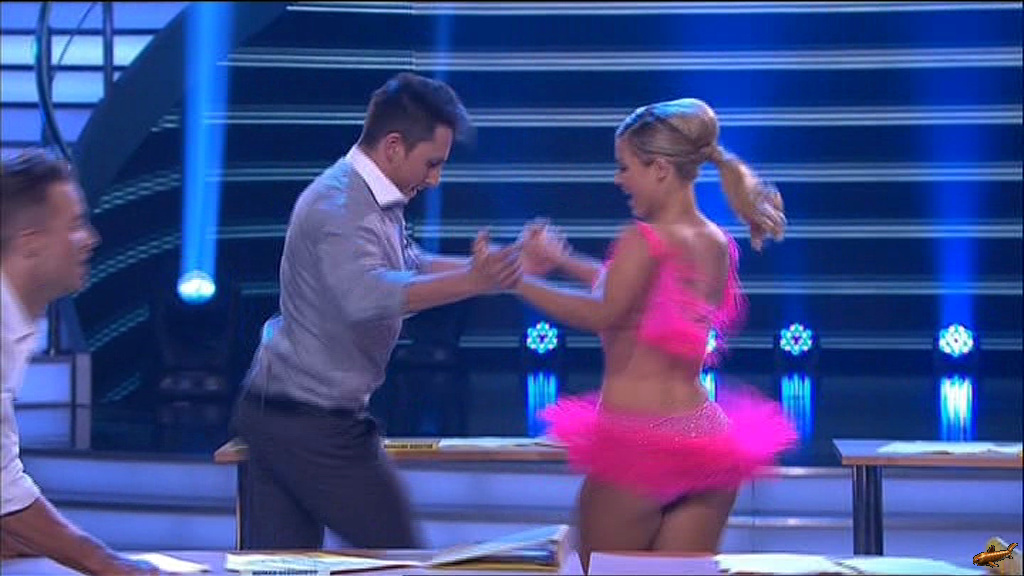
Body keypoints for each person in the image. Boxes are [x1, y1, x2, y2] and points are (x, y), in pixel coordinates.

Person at [488, 98, 797, 570]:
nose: (619, 180)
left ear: (660, 169)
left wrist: (514, 280)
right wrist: (563, 260)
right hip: (706, 442)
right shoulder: (715, 241)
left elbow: (605, 313)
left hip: (640, 446)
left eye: (625, 167)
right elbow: (641, 297)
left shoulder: (643, 239)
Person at [231, 72, 522, 550]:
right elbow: (364, 295)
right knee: (400, 557)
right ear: (393, 147)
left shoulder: (372, 198)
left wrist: (493, 269)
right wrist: (474, 280)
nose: (435, 179)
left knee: (286, 566)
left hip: (288, 412)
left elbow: (408, 264)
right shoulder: (339, 205)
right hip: (308, 422)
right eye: (431, 164)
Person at [1, 148, 160, 575]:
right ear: (31, 242)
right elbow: (4, 487)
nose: (91, 239)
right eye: (74, 225)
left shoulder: (19, 319)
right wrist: (108, 564)